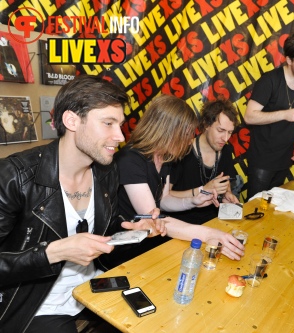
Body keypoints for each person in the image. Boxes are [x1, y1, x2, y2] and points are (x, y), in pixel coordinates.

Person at [0, 75, 168, 333]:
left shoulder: (105, 171)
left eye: (120, 125)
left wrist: (131, 232)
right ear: (71, 121)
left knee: (160, 315)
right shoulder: (15, 176)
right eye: (108, 123)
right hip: (36, 304)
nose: (120, 136)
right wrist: (53, 253)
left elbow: (103, 235)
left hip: (92, 286)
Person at [115, 94, 245, 262]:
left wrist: (193, 201)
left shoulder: (165, 156)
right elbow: (153, 219)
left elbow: (164, 199)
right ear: (169, 131)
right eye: (186, 134)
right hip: (125, 250)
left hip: (150, 242)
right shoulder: (130, 160)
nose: (190, 140)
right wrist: (209, 234)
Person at [244, 31, 294, 199]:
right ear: (289, 60)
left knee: (273, 209)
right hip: (262, 159)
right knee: (254, 209)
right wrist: (284, 114)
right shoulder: (270, 80)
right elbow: (249, 116)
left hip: (284, 159)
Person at [169, 98, 240, 224]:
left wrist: (226, 195)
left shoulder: (226, 151)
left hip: (214, 221)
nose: (226, 138)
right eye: (221, 130)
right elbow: (165, 197)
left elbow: (225, 183)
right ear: (206, 124)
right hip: (181, 222)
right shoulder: (182, 151)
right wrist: (203, 190)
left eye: (230, 132)